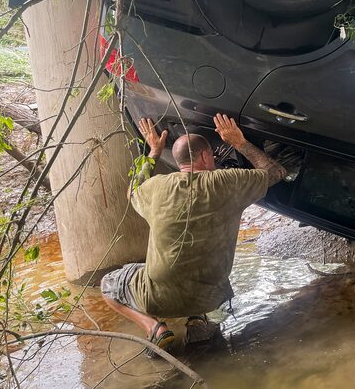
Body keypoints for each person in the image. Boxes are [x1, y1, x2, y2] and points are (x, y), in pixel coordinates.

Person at [100, 114, 287, 354]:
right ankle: (198, 324)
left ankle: (155, 327)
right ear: (206, 156)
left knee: (108, 284)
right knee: (200, 259)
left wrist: (154, 151)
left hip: (157, 297)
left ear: (178, 161)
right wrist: (239, 142)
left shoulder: (157, 188)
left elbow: (132, 191)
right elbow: (275, 171)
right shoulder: (229, 183)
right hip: (210, 295)